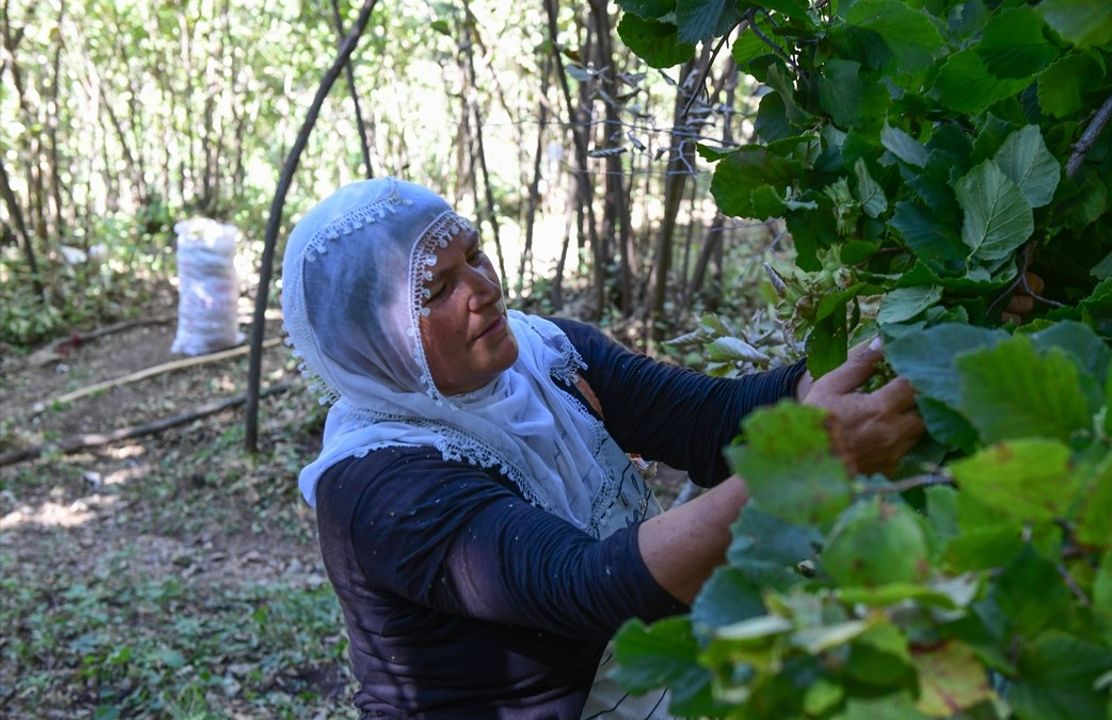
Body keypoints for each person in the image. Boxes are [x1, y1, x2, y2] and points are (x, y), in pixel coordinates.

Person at [281, 178, 924, 719]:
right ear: (373, 339)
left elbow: (713, 421)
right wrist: (804, 466)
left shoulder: (545, 354)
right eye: (438, 288)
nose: (483, 289)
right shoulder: (378, 485)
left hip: (640, 676)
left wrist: (908, 346)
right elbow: (587, 586)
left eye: (475, 256)